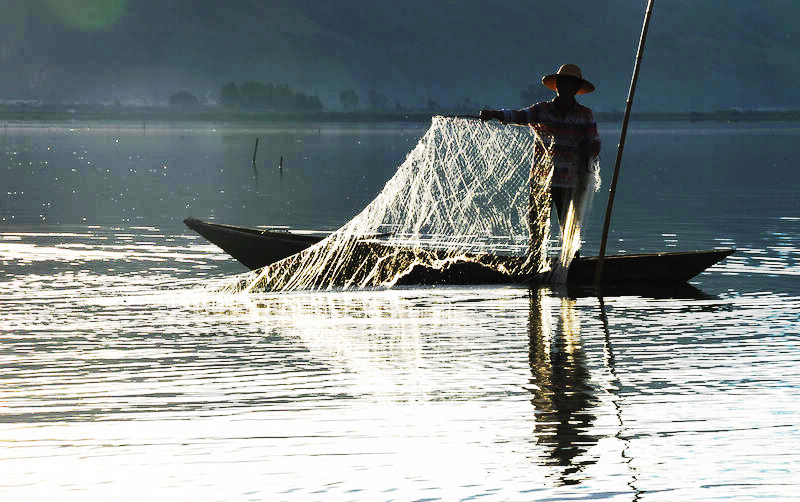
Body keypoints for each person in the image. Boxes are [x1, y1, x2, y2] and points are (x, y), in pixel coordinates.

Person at [479, 64, 601, 256]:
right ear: (557, 86)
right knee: (537, 229)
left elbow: (595, 144)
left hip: (569, 183)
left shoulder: (585, 115)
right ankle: (535, 261)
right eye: (561, 83)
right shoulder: (542, 110)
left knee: (569, 230)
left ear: (576, 89)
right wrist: (494, 114)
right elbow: (518, 116)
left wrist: (588, 148)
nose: (564, 87)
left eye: (569, 84)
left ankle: (572, 266)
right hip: (541, 181)